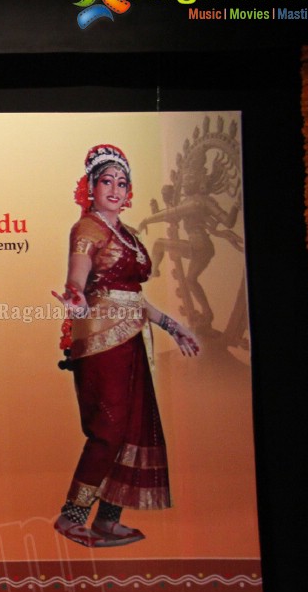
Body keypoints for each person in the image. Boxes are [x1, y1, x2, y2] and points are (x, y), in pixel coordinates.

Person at [52, 144, 199, 548]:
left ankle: (108, 519)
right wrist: (76, 300)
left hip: (133, 338)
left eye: (122, 183)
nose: (115, 190)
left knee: (133, 429)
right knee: (108, 429)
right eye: (106, 182)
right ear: (91, 187)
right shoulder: (86, 229)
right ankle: (72, 516)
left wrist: (174, 326)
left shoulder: (129, 234)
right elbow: (76, 284)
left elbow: (133, 297)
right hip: (100, 341)